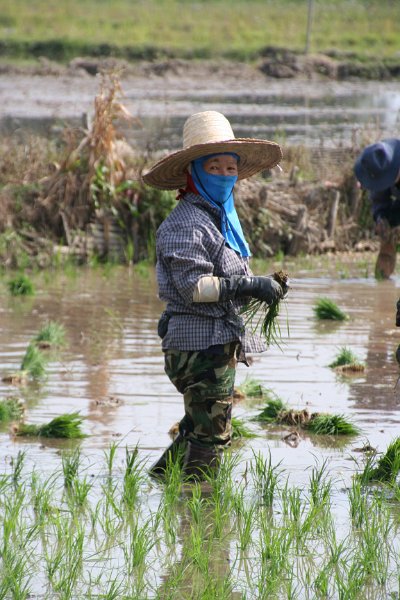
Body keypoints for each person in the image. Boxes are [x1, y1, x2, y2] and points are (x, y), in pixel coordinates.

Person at [143, 110, 287, 479]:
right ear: (194, 171)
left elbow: (227, 278)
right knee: (212, 437)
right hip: (199, 345)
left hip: (214, 341)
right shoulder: (185, 223)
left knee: (197, 430)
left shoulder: (218, 218)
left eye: (230, 168)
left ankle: (161, 484)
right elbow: (197, 288)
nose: (224, 175)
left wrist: (265, 285)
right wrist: (252, 285)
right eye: (215, 167)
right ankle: (201, 515)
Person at [354, 138, 400, 279]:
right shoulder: (383, 164)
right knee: (387, 228)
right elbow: (379, 199)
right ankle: (384, 278)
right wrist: (381, 218)